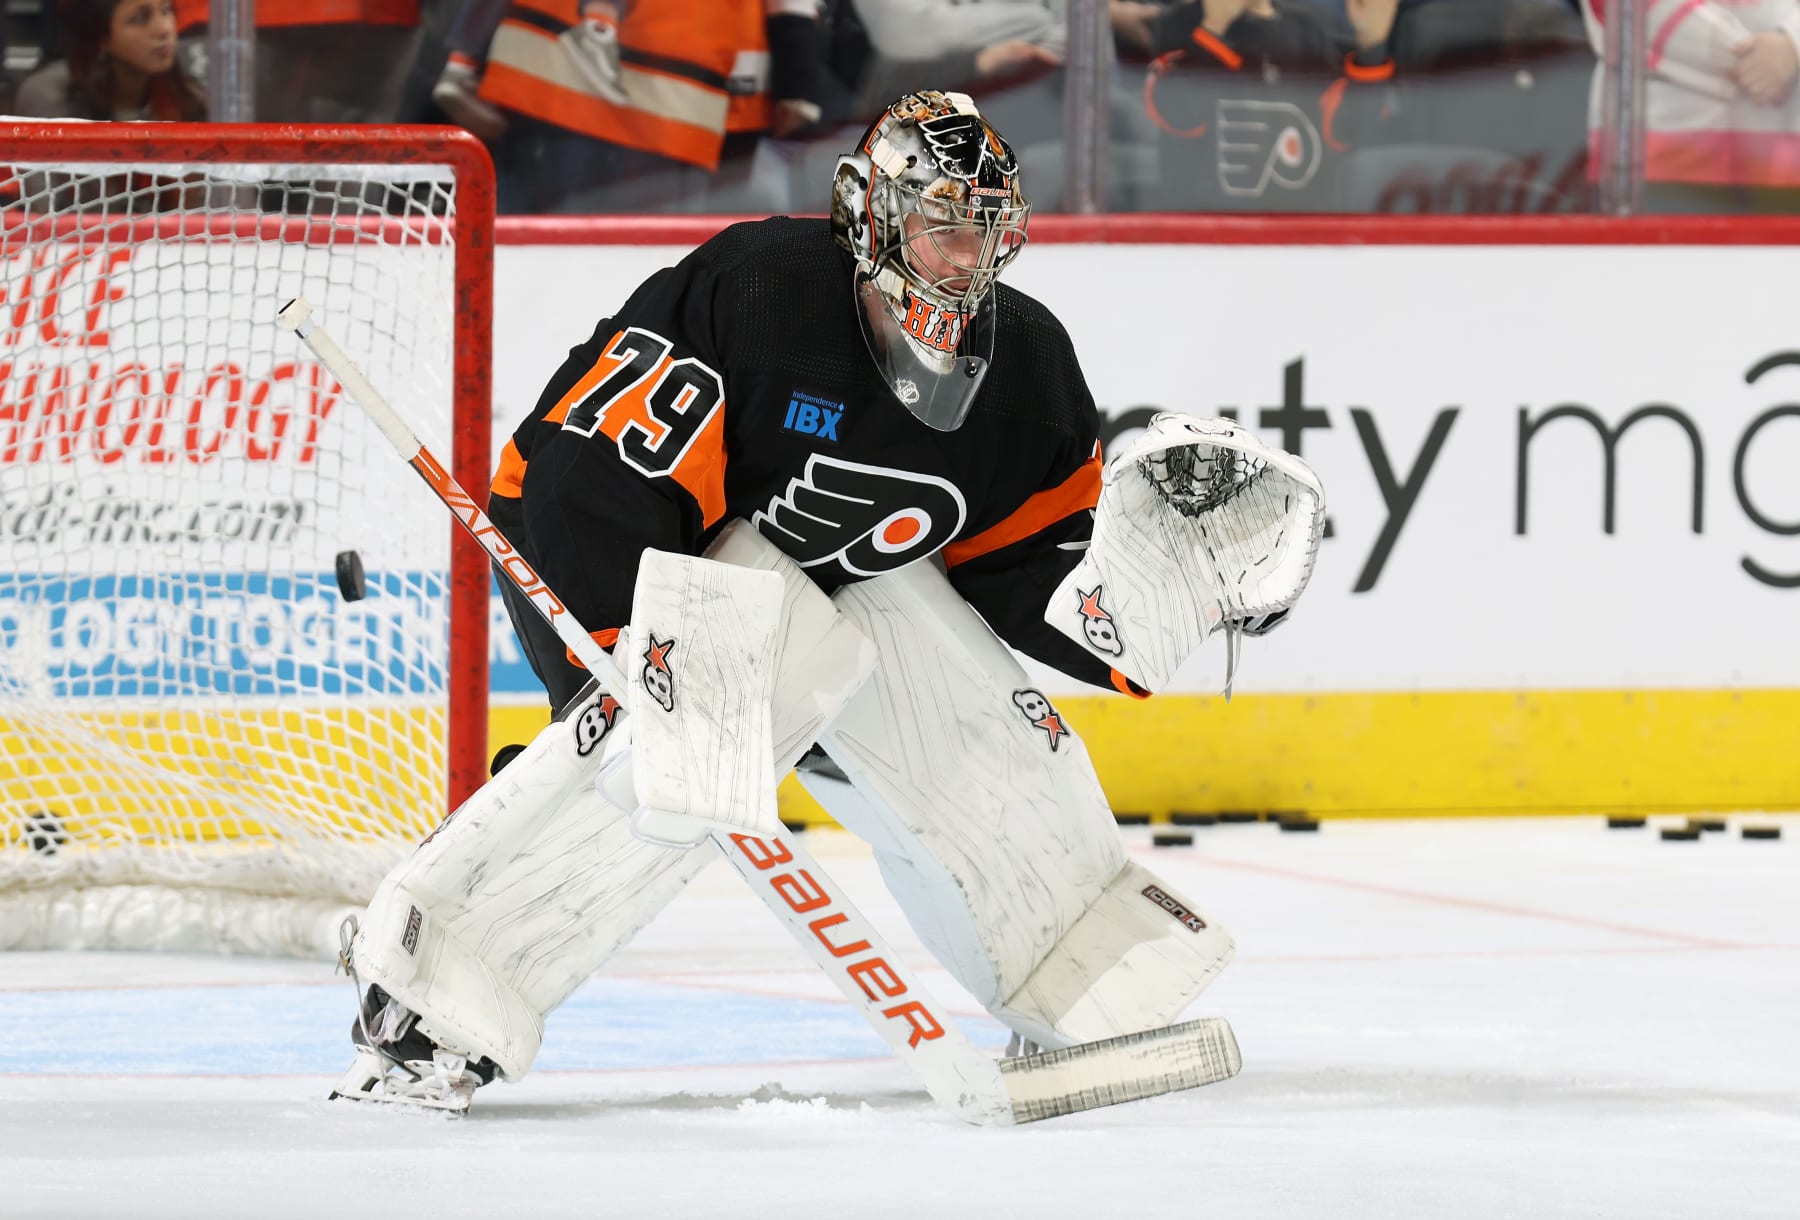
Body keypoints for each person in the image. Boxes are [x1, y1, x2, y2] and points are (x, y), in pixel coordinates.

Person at [330, 90, 1324, 1111]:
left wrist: (1179, 586)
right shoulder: (763, 294)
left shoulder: (1028, 367)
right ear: (870, 214)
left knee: (977, 731)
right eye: (944, 224)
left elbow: (1023, 564)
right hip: (614, 547)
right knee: (663, 758)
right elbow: (590, 477)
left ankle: (1076, 969)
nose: (969, 256)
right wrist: (632, 663)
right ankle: (433, 993)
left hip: (839, 583)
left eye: (988, 227)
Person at [14, 0, 205, 121]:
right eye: (141, 18)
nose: (164, 29)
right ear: (102, 36)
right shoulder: (50, 97)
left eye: (166, 10)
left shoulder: (191, 98)